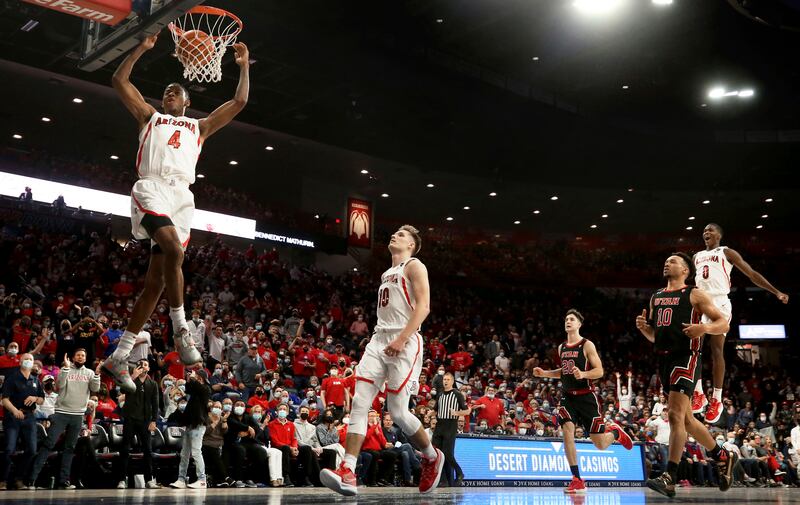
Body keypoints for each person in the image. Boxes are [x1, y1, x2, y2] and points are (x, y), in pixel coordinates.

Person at [103, 32, 250, 393]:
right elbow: (119, 80)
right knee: (175, 251)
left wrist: (244, 66)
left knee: (154, 285)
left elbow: (239, 101)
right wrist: (141, 48)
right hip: (152, 187)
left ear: (187, 101)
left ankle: (119, 356)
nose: (169, 93)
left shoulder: (199, 127)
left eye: (176, 91)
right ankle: (181, 327)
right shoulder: (148, 117)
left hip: (182, 197)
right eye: (166, 90)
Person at [320, 225, 444, 497]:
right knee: (360, 403)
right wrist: (383, 338)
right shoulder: (387, 273)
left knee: (398, 412)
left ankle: (431, 456)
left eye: (401, 235)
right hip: (379, 339)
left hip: (405, 339)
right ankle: (348, 470)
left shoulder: (414, 266)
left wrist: (401, 339)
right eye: (395, 232)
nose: (394, 235)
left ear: (411, 245)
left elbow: (424, 307)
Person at [635, 252, 737, 498]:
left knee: (674, 415)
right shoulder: (656, 296)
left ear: (685, 270)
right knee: (688, 421)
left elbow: (723, 323)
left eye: (672, 261)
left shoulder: (694, 294)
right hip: (664, 359)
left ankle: (669, 476)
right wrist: (645, 329)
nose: (666, 263)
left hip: (687, 357)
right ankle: (722, 454)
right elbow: (655, 337)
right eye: (666, 260)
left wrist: (704, 327)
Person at [692, 223, 790, 423]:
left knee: (716, 350)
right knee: (693, 349)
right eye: (704, 231)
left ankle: (716, 400)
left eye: (710, 229)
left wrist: (776, 291)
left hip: (719, 302)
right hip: (700, 303)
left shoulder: (726, 252)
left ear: (719, 235)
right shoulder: (696, 256)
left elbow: (752, 274)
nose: (706, 232)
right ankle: (698, 393)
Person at [533, 309, 633, 494]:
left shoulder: (587, 345)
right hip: (567, 396)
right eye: (566, 319)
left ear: (579, 324)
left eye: (571, 319)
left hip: (586, 397)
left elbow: (600, 371)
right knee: (567, 432)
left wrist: (584, 374)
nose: (568, 321)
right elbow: (564, 371)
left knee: (601, 444)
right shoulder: (562, 347)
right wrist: (545, 373)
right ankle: (577, 478)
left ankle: (616, 433)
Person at [28, 349, 100, 490]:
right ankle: (31, 479)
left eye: (83, 355)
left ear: (85, 358)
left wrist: (97, 374)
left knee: (70, 448)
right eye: (78, 355)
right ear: (73, 357)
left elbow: (95, 388)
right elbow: (59, 386)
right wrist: (66, 368)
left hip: (78, 415)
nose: (80, 357)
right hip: (61, 413)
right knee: (48, 444)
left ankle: (64, 481)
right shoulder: (64, 369)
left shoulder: (90, 373)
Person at [0, 353, 44, 490]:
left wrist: (35, 398)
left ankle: (18, 479)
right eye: (26, 359)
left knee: (32, 450)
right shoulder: (12, 378)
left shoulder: (35, 379)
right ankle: (3, 480)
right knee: (9, 449)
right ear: (20, 362)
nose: (29, 361)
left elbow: (42, 398)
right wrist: (14, 411)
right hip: (13, 417)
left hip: (30, 417)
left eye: (31, 359)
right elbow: (4, 399)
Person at [116, 359, 160, 489]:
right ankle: (122, 480)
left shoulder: (152, 384)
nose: (143, 367)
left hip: (145, 420)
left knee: (147, 450)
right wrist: (133, 376)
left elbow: (155, 404)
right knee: (125, 449)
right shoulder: (131, 380)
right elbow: (122, 391)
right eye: (140, 364)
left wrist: (154, 420)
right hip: (130, 418)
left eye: (145, 365)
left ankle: (149, 479)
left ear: (149, 368)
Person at [170, 369, 211, 489]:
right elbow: (189, 389)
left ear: (200, 379)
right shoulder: (195, 392)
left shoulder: (206, 389)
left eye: (197, 377)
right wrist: (189, 380)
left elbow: (199, 388)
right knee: (184, 454)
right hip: (190, 424)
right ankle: (181, 479)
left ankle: (202, 479)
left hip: (198, 425)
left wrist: (193, 379)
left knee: (196, 452)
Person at [432, 372, 470, 486]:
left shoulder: (457, 394)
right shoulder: (440, 394)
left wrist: (456, 412)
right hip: (439, 425)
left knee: (448, 454)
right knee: (436, 453)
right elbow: (435, 410)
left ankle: (459, 473)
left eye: (448, 379)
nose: (445, 381)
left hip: (450, 425)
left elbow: (467, 411)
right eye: (444, 379)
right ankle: (442, 480)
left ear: (452, 381)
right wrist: (429, 414)